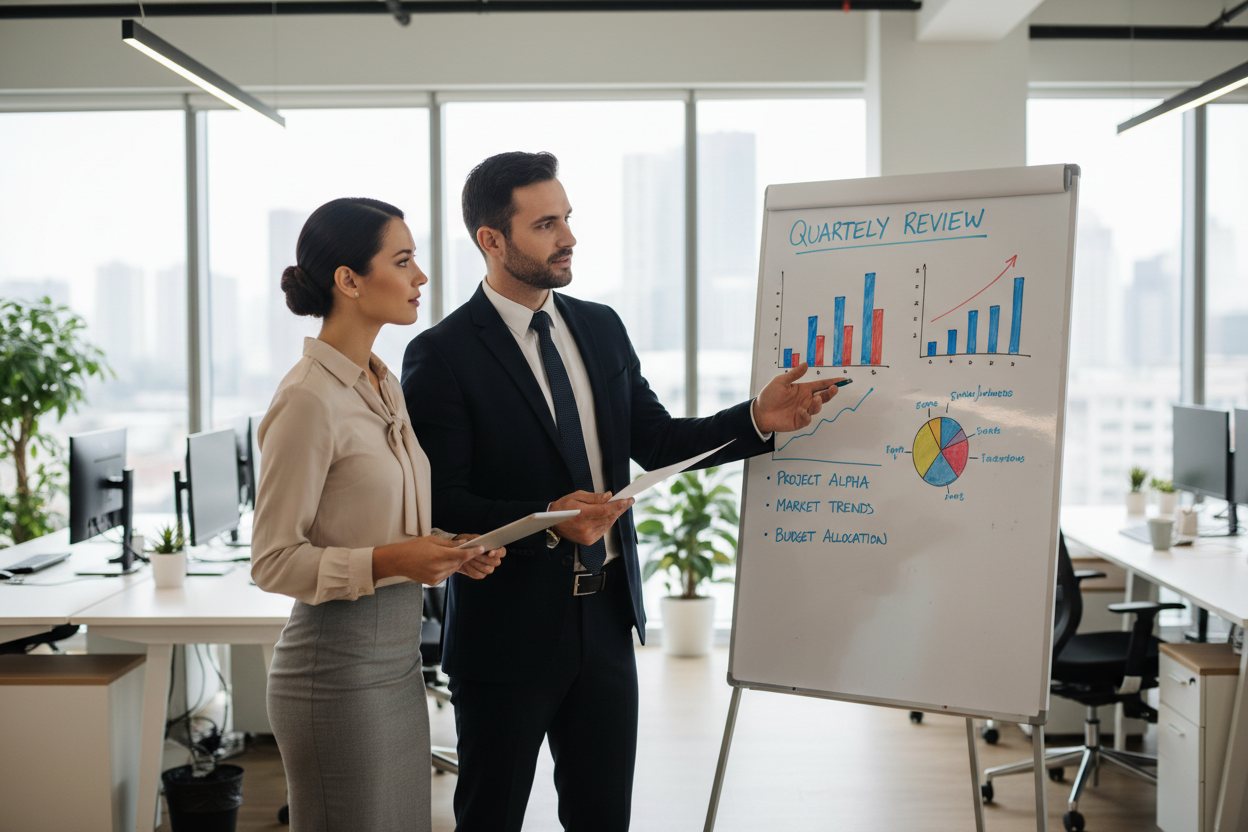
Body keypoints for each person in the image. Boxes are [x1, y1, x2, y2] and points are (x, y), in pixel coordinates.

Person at [401, 152, 837, 831]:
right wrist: (549, 522)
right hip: (506, 636)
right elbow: (441, 504)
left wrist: (758, 417)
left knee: (604, 819)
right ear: (492, 240)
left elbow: (657, 440)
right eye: (546, 223)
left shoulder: (599, 327)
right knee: (491, 818)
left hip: (605, 622)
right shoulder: (442, 353)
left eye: (567, 218)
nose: (568, 237)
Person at [251, 197, 505, 832]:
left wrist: (448, 547)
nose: (421, 276)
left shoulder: (381, 382)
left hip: (394, 666)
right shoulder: (309, 398)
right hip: (335, 672)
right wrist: (400, 560)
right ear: (348, 280)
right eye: (403, 260)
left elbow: (376, 520)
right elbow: (273, 559)